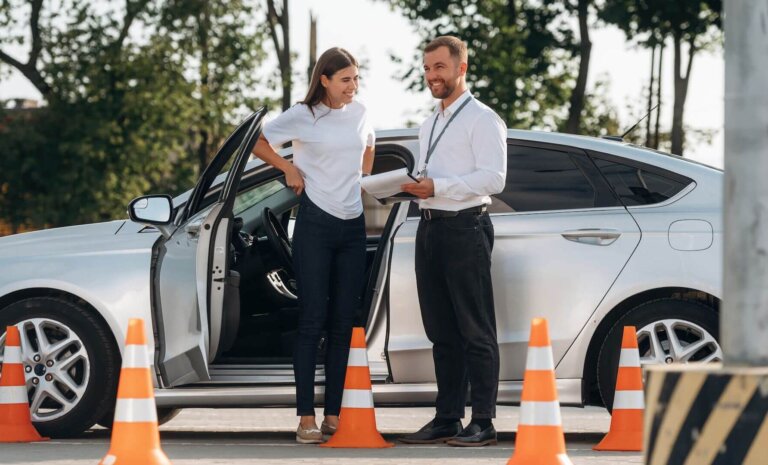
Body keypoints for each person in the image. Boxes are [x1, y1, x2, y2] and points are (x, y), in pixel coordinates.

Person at [251, 47, 375, 444]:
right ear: (324, 79)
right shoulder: (303, 116)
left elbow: (369, 146)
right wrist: (288, 167)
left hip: (353, 226)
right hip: (315, 225)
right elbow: (257, 141)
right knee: (311, 320)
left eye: (356, 78)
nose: (353, 86)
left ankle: (334, 415)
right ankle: (306, 416)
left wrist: (363, 179)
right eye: (345, 80)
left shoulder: (360, 113)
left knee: (343, 323)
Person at [398, 36, 507, 447]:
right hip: (430, 227)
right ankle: (447, 418)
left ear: (462, 68)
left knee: (475, 329)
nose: (431, 76)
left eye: (439, 67)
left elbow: (495, 178)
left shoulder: (483, 118)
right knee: (440, 331)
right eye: (427, 68)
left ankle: (483, 421)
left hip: (465, 226)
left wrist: (439, 185)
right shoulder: (430, 124)